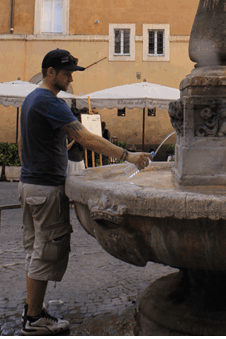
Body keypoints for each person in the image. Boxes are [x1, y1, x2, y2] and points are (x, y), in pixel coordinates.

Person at [18, 48, 152, 335]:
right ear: (50, 72)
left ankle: (32, 307)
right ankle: (34, 319)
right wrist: (126, 155)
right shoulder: (49, 101)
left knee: (35, 250)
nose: (70, 79)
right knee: (47, 250)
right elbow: (85, 137)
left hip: (29, 184)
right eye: (66, 73)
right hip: (45, 189)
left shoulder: (31, 99)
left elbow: (23, 145)